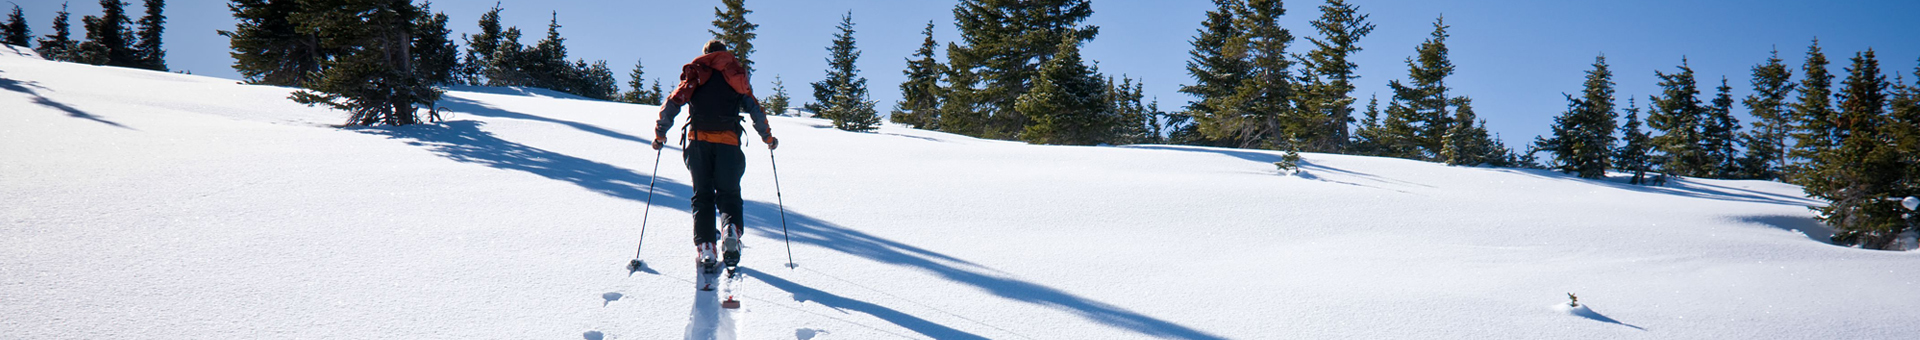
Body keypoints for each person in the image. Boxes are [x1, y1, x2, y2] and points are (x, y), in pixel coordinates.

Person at [651, 40, 778, 272]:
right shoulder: (735, 75)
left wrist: (660, 134)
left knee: (703, 196)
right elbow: (755, 110)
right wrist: (767, 137)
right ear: (723, 53)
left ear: (706, 54)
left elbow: (674, 102)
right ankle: (731, 230)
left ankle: (706, 247)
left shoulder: (697, 73)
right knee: (729, 194)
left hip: (698, 143)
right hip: (729, 144)